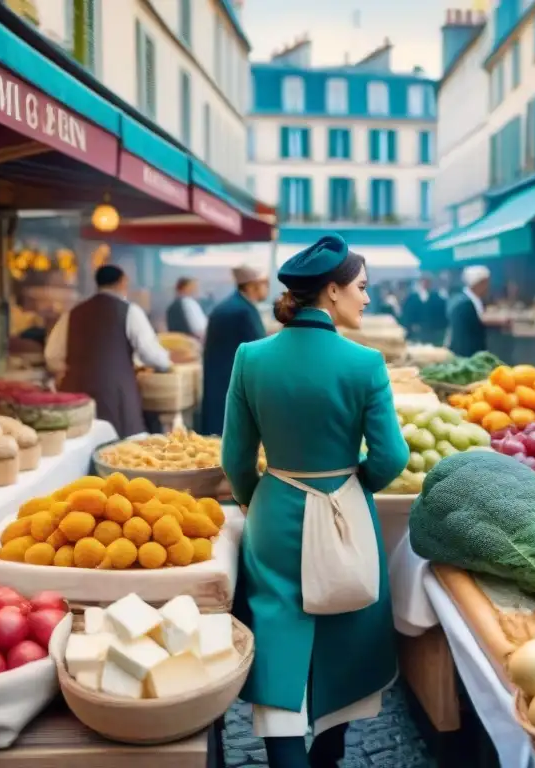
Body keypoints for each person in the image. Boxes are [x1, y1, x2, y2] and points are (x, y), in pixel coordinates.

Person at [222, 233, 408, 768]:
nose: (367, 299)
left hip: (274, 508)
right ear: (331, 291)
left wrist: (259, 500)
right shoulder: (365, 363)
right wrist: (355, 486)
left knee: (276, 628)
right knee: (347, 628)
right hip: (345, 503)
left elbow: (235, 457)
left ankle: (285, 758)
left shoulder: (250, 357)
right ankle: (328, 754)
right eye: (362, 287)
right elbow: (391, 457)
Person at [45, 264, 171, 438]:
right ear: (121, 282)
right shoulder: (129, 311)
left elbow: (52, 356)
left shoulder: (72, 313)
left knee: (80, 446)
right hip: (116, 393)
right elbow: (150, 354)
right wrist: (167, 363)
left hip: (75, 394)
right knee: (120, 450)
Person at [199, 265, 268, 436]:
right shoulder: (244, 311)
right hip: (233, 386)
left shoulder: (227, 306)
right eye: (265, 283)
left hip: (218, 383)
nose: (268, 288)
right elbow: (260, 351)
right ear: (253, 286)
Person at [448, 265, 494, 357]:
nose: (488, 286)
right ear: (479, 284)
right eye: (486, 283)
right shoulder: (463, 303)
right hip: (467, 354)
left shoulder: (470, 299)